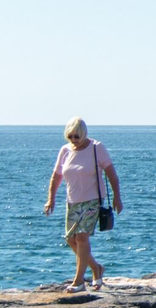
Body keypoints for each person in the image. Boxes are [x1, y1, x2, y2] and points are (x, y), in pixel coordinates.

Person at [43, 117, 122, 290]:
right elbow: (56, 176)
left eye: (76, 136)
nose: (73, 140)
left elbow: (111, 174)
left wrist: (117, 197)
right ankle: (96, 268)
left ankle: (79, 281)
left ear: (84, 134)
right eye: (70, 136)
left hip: (92, 200)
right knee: (71, 239)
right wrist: (51, 198)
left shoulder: (96, 148)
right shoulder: (65, 150)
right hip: (72, 201)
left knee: (81, 237)